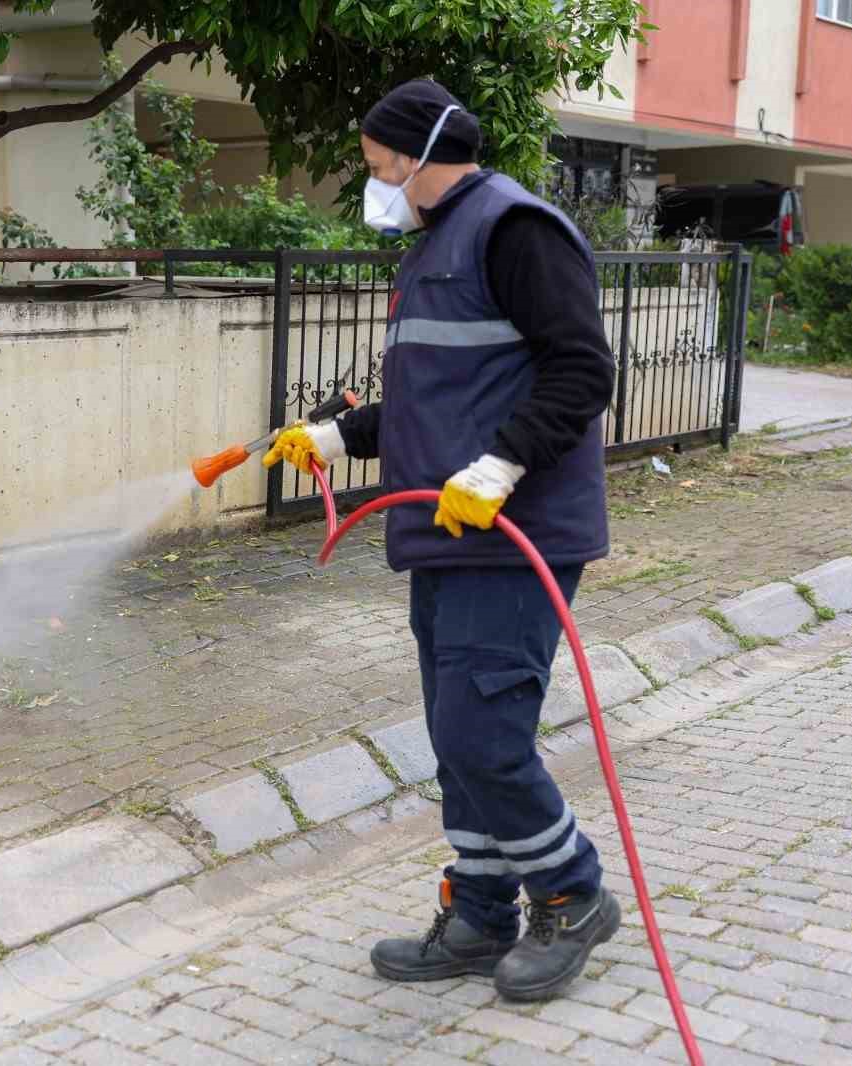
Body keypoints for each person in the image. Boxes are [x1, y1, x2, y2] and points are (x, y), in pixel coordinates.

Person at [263, 78, 619, 1002]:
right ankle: (480, 917)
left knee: (483, 734)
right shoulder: (433, 249)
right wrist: (339, 436)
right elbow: (438, 399)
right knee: (456, 737)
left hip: (514, 531)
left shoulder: (515, 229)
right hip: (445, 534)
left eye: (379, 160)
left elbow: (583, 369)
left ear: (418, 152)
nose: (373, 176)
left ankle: (574, 894)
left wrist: (503, 465)